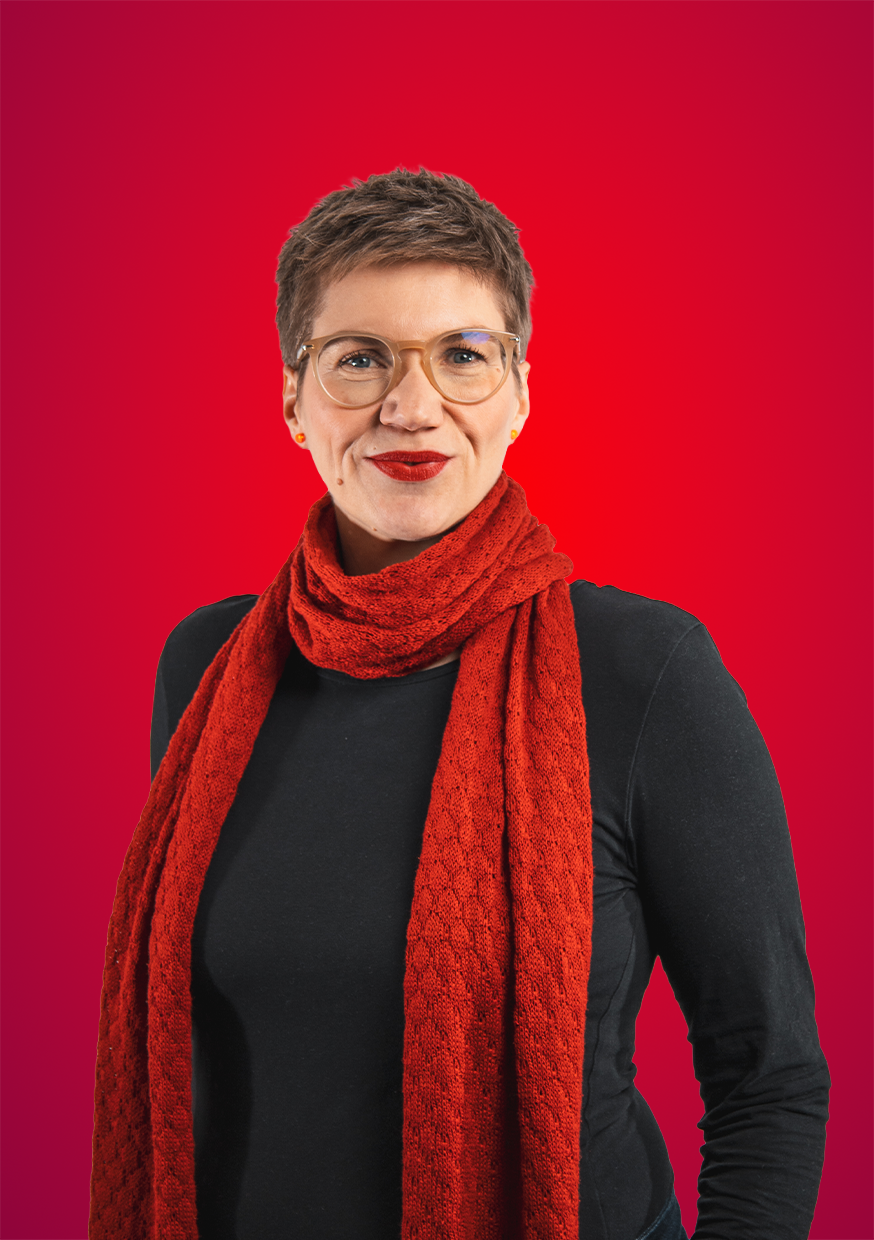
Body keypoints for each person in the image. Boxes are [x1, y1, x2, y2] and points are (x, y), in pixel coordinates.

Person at [89, 169, 829, 1240]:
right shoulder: (207, 667)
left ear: (519, 393)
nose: (411, 404)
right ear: (294, 401)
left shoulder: (645, 670)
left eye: (462, 355)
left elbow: (768, 1072)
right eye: (359, 358)